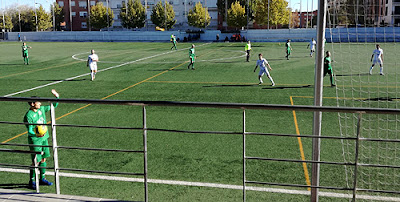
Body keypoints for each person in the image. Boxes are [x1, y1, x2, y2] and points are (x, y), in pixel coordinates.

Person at [24, 89, 60, 190]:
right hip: (35, 140)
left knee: (44, 158)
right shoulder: (28, 116)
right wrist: (37, 133)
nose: (40, 103)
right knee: (36, 161)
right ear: (32, 104)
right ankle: (31, 181)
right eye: (38, 102)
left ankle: (42, 179)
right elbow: (30, 130)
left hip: (44, 138)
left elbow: (54, 106)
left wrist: (57, 97)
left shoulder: (41, 109)